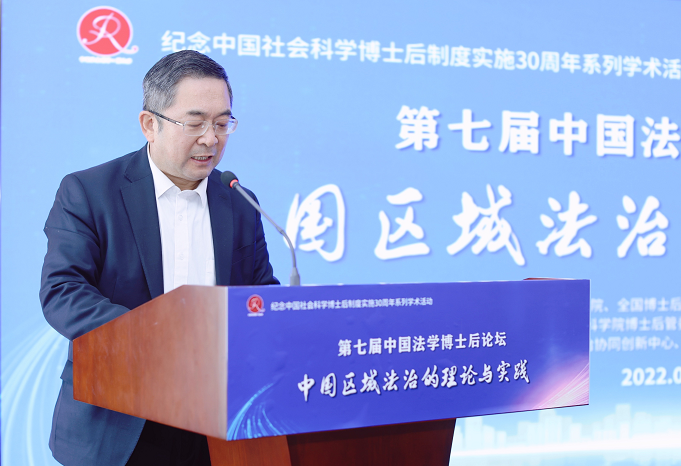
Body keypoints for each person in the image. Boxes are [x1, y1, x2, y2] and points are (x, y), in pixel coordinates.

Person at [40, 50, 279, 466]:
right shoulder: (90, 192)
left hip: (216, 423)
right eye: (195, 123)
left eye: (222, 123)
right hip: (120, 419)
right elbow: (63, 292)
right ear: (150, 124)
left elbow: (260, 295)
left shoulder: (239, 201)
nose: (211, 139)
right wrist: (155, 339)